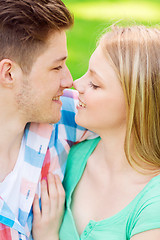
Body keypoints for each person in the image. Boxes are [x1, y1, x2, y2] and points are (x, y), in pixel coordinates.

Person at [0, 0, 96, 239]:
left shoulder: (65, 115)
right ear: (9, 73)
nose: (69, 80)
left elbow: (139, 113)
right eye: (56, 68)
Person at [57, 25, 160, 239]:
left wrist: (46, 235)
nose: (77, 84)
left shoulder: (154, 202)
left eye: (95, 84)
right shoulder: (70, 157)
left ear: (136, 103)